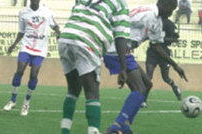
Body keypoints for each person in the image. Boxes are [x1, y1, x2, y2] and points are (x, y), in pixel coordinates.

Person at [104, 0, 188, 133]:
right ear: (164, 5)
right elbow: (120, 22)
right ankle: (116, 127)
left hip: (124, 53)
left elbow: (157, 47)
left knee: (147, 85)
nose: (171, 13)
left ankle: (125, 124)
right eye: (171, 9)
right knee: (139, 88)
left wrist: (175, 66)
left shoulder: (158, 21)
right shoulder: (146, 13)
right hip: (116, 51)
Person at [58, 0, 130, 134]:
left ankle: (65, 131)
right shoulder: (121, 4)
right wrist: (123, 68)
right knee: (92, 92)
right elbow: (121, 37)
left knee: (73, 89)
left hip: (66, 37)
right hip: (87, 40)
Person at [3, 0, 60, 116]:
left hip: (40, 48)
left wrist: (59, 33)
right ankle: (13, 100)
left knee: (34, 74)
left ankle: (26, 103)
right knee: (19, 70)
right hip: (26, 46)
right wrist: (14, 45)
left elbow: (55, 25)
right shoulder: (23, 13)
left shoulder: (47, 11)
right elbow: (21, 31)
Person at [145, 18, 181, 107]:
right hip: (152, 52)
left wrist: (164, 39)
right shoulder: (153, 22)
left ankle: (174, 86)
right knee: (148, 75)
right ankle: (143, 99)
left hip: (164, 53)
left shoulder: (169, 24)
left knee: (165, 78)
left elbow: (174, 39)